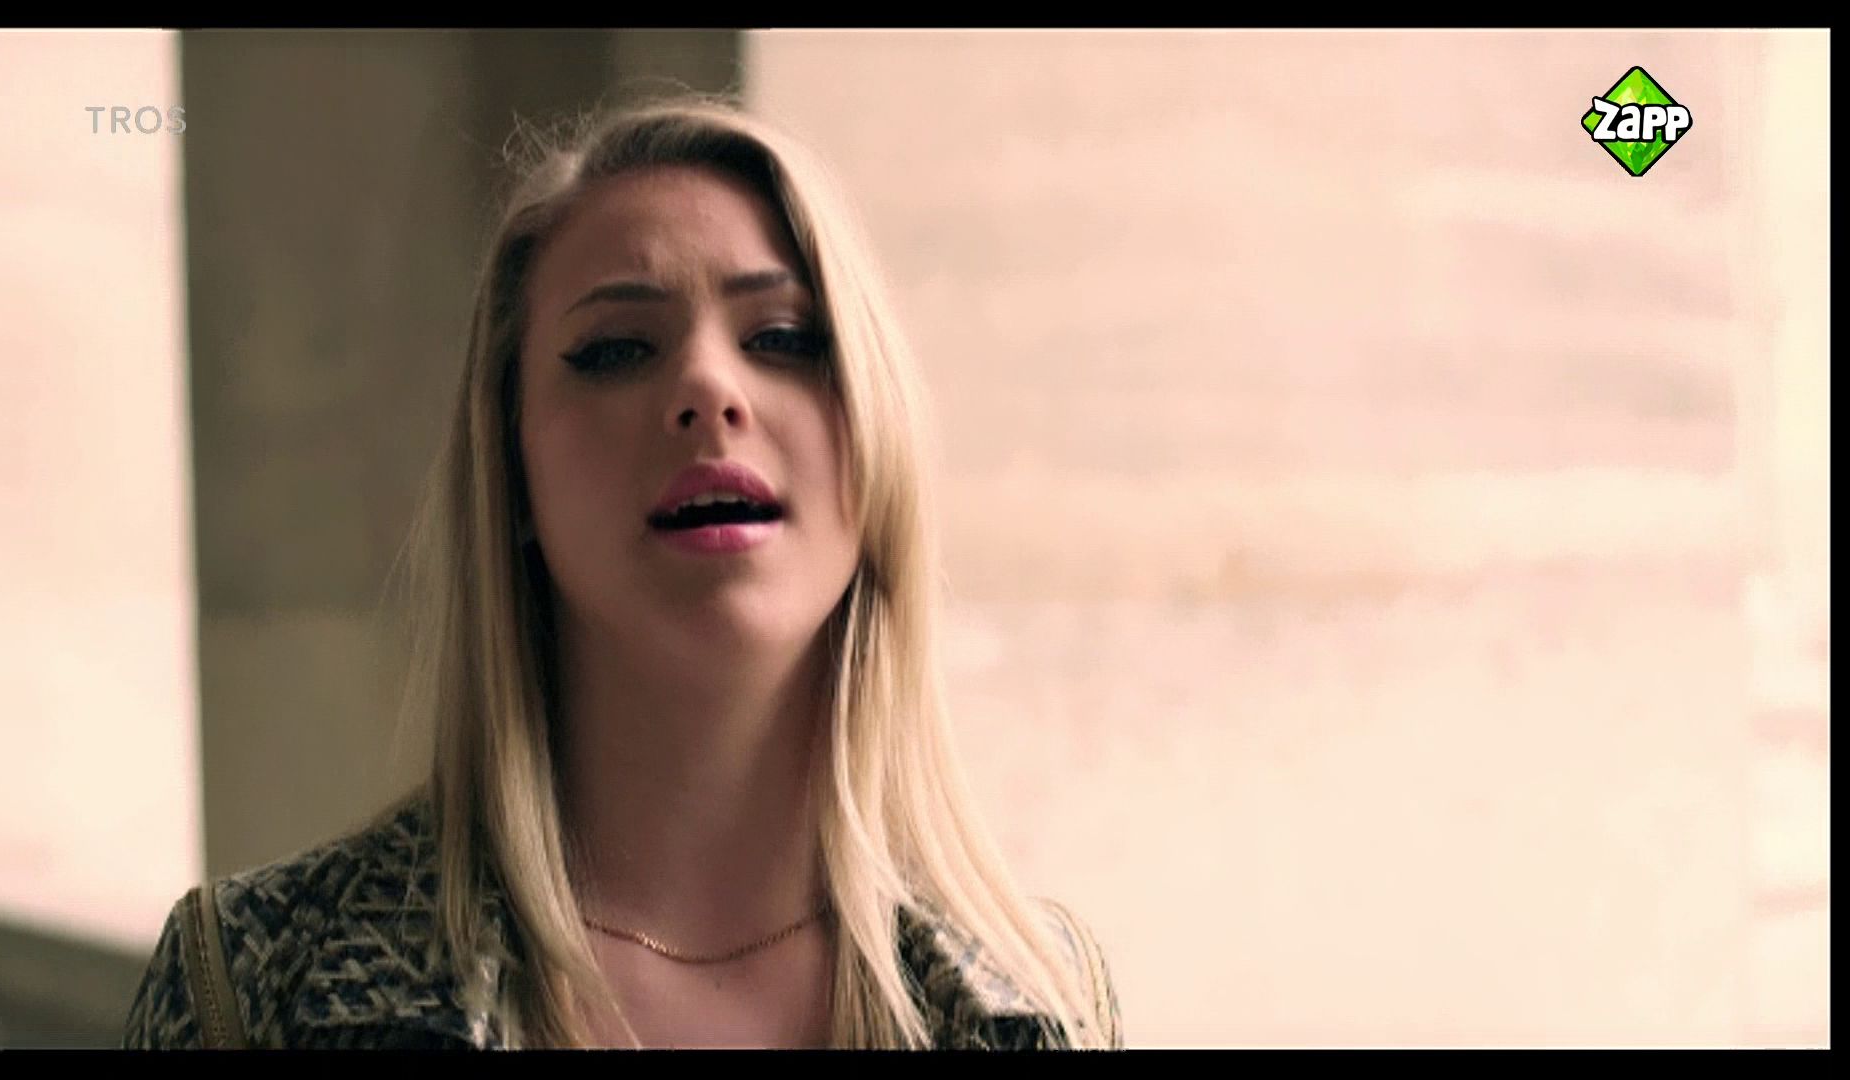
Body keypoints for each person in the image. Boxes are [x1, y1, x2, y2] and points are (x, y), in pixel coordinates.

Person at [121, 95, 1123, 1050]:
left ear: (874, 436)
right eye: (614, 350)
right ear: (512, 467)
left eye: (783, 338)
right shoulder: (243, 986)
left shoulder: (1046, 999)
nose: (708, 387)